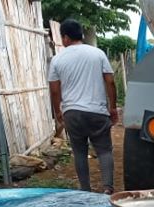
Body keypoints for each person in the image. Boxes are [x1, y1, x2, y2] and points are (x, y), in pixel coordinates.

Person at [48, 19, 119, 194]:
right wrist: (113, 107)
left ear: (65, 37)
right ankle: (108, 188)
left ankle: (85, 191)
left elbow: (55, 90)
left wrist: (58, 111)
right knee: (104, 150)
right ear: (80, 34)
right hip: (97, 112)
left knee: (79, 152)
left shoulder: (57, 59)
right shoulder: (98, 54)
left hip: (72, 112)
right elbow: (110, 82)